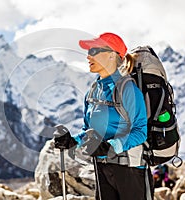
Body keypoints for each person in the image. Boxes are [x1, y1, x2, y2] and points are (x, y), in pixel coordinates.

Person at [54, 32, 154, 200]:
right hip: (101, 168)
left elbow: (140, 132)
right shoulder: (93, 91)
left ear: (111, 55)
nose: (88, 56)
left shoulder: (127, 89)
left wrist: (111, 146)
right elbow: (88, 131)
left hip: (130, 169)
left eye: (94, 51)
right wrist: (72, 141)